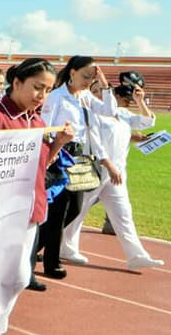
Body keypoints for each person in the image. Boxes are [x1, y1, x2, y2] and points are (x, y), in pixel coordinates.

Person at [0, 58, 74, 335]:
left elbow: (42, 164)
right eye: (37, 87)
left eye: (47, 89)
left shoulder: (39, 121)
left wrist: (60, 143)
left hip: (30, 208)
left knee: (17, 276)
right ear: (17, 83)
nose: (41, 95)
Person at [62, 72, 163, 270]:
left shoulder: (123, 114)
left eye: (103, 91)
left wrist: (140, 100)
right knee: (79, 211)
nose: (101, 94)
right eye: (96, 91)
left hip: (117, 174)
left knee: (124, 213)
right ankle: (63, 246)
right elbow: (97, 144)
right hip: (97, 169)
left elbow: (148, 121)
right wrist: (109, 166)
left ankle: (136, 255)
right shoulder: (93, 115)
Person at [38, 56, 117, 279]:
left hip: (81, 156)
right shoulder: (57, 97)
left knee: (74, 209)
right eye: (85, 76)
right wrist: (52, 152)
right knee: (58, 212)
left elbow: (109, 111)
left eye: (91, 77)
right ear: (72, 72)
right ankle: (51, 264)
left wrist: (103, 83)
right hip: (62, 153)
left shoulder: (85, 97)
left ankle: (34, 248)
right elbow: (46, 127)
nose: (87, 81)